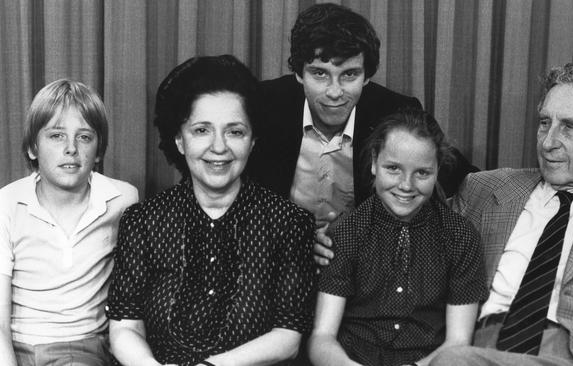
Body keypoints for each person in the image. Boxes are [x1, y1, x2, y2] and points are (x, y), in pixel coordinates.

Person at [430, 63, 573, 366]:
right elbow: (414, 234)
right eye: (545, 123)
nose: (548, 142)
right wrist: (341, 240)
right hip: (482, 351)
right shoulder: (484, 190)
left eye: (569, 127)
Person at [107, 55, 316, 366]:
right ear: (179, 139)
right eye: (202, 130)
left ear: (253, 140)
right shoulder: (143, 221)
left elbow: (288, 337)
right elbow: (124, 328)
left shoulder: (289, 222)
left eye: (235, 132)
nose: (219, 147)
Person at [246, 2, 478, 266]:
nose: (334, 92)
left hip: (365, 266)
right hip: (275, 259)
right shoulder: (263, 106)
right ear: (299, 74)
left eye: (349, 75)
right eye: (320, 74)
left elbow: (458, 175)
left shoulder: (394, 112)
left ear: (366, 77)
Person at [308, 109, 487, 366]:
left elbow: (458, 343)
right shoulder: (346, 231)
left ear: (437, 170)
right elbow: (322, 337)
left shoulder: (460, 236)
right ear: (373, 163)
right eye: (393, 168)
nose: (406, 185)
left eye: (422, 173)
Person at [0, 79, 139, 366]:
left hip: (84, 348)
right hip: (15, 345)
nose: (71, 149)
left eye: (84, 137)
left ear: (99, 150)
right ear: (32, 148)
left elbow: (132, 294)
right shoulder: (7, 204)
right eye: (56, 136)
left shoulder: (122, 199)